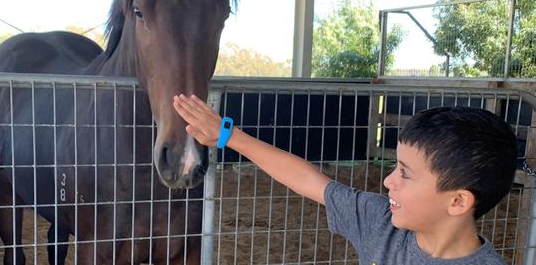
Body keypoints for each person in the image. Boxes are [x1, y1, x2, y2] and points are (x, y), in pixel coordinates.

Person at [173, 94, 517, 264]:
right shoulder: (380, 223)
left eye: (405, 174)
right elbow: (308, 180)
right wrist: (228, 136)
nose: (387, 182)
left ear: (458, 201)